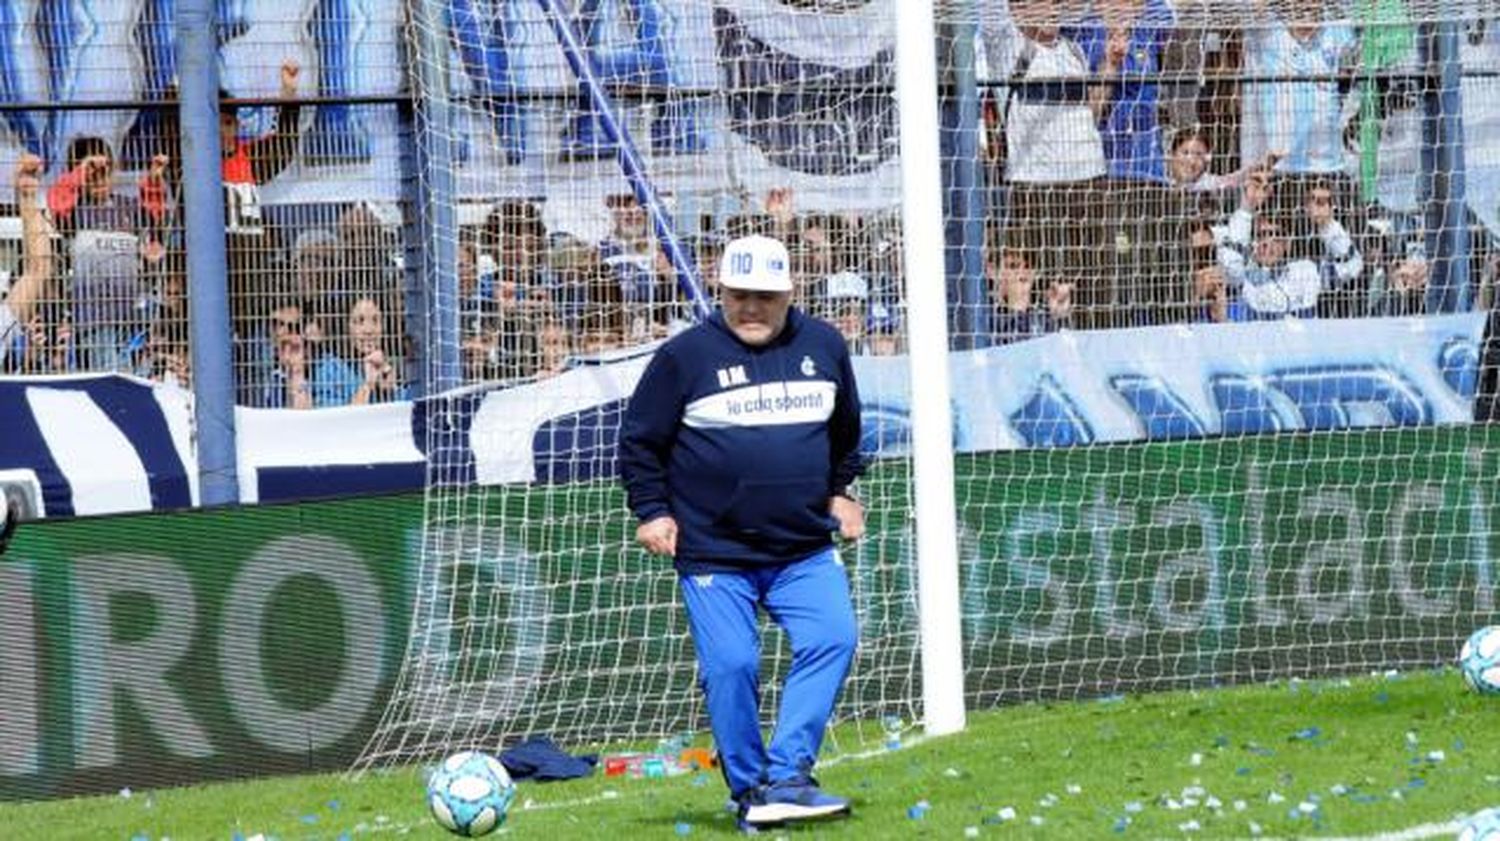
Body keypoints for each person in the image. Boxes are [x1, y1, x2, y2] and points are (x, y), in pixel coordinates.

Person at [618, 234, 864, 832]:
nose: (751, 308)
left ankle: (788, 775)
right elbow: (639, 442)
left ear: (789, 293)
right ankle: (752, 788)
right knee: (731, 664)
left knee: (834, 636)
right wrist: (652, 511)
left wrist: (841, 490)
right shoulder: (685, 357)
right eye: (739, 295)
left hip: (802, 547)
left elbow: (847, 434)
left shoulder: (826, 347)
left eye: (765, 297)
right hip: (714, 552)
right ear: (719, 290)